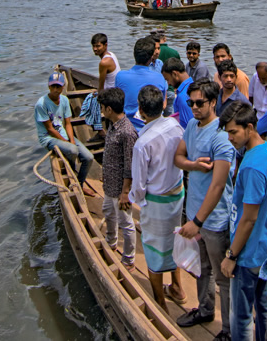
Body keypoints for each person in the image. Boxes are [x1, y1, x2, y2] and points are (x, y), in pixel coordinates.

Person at [174, 80, 236, 338]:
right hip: (195, 210)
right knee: (202, 268)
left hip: (214, 219)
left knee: (223, 277)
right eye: (191, 103)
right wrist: (194, 166)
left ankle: (230, 329)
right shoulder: (190, 126)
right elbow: (178, 157)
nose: (195, 108)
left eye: (200, 103)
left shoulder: (221, 136)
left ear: (213, 103)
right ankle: (205, 309)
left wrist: (197, 222)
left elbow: (219, 185)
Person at [220, 101, 267, 341]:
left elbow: (248, 218)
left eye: (234, 132)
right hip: (265, 246)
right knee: (263, 309)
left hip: (248, 251)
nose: (230, 138)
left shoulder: (252, 166)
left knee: (241, 315)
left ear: (250, 127)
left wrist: (231, 256)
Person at [129, 85, 188, 309]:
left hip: (156, 201)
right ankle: (177, 287)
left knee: (154, 250)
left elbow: (139, 184)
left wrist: (136, 200)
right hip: (177, 193)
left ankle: (160, 304)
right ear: (164, 104)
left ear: (141, 111)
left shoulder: (142, 143)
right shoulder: (175, 126)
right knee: (174, 239)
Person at [34, 71, 95, 192]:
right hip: (48, 138)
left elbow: (68, 124)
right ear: (49, 86)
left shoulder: (65, 100)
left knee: (89, 157)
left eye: (59, 86)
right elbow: (50, 129)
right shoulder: (41, 104)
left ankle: (80, 183)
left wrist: (71, 140)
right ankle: (72, 176)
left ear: (63, 87)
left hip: (63, 134)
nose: (56, 90)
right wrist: (67, 143)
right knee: (72, 150)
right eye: (53, 86)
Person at [98, 88, 138, 270]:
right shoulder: (112, 126)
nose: (101, 111)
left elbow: (130, 166)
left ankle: (128, 259)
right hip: (109, 185)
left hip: (120, 189)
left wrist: (125, 192)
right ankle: (111, 242)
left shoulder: (127, 132)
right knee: (108, 213)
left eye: (102, 108)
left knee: (126, 223)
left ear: (109, 109)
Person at [115, 36, 169, 130]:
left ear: (134, 55)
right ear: (151, 57)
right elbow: (163, 105)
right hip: (153, 128)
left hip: (129, 128)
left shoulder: (120, 76)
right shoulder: (159, 77)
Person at [162, 57, 194, 129]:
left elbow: (188, 127)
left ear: (175, 74)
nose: (168, 83)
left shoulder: (183, 96)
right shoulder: (192, 85)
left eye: (167, 79)